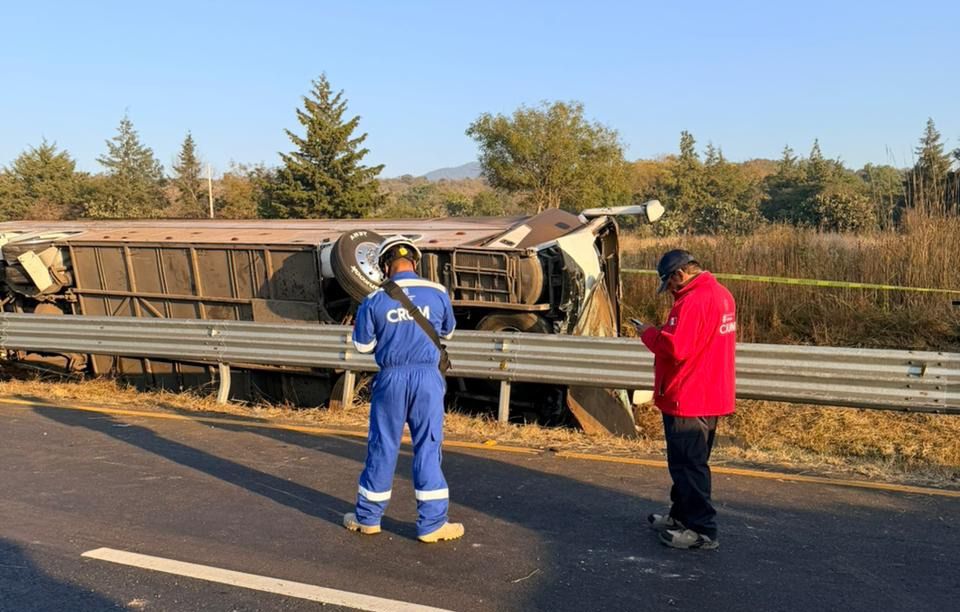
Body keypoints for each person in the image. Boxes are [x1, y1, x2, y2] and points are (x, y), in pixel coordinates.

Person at [343, 235, 465, 543]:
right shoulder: (437, 292)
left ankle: (368, 518)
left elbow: (362, 345)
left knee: (383, 445)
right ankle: (432, 524)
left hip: (391, 379)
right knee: (428, 445)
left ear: (385, 266)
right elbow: (448, 331)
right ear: (415, 261)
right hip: (427, 379)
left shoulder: (373, 299)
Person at [634, 249, 736, 550]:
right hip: (709, 391)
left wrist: (649, 333)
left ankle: (702, 530)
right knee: (687, 463)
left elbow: (676, 349)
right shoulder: (721, 294)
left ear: (679, 275)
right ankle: (680, 516)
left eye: (671, 285)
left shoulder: (692, 301)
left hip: (689, 394)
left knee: (689, 466)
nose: (671, 292)